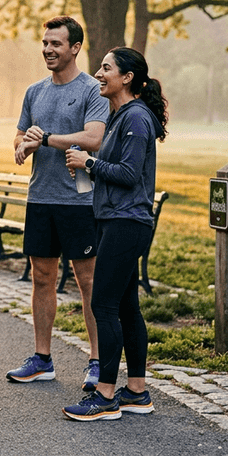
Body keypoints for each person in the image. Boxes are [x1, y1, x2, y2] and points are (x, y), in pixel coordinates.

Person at [62, 47, 166, 421]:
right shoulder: (121, 115)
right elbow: (115, 172)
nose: (99, 73)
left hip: (127, 223)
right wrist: (87, 169)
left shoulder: (136, 117)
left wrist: (89, 160)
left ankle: (105, 395)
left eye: (107, 68)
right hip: (115, 220)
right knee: (125, 306)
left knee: (102, 304)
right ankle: (136, 391)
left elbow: (128, 173)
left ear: (127, 78)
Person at [7, 17, 108, 390]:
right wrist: (23, 145)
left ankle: (98, 362)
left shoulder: (92, 90)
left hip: (80, 200)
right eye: (45, 43)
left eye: (57, 44)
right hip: (41, 198)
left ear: (75, 48)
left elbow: (94, 138)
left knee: (88, 281)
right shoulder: (35, 91)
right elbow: (20, 134)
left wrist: (46, 138)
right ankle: (42, 359)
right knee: (42, 277)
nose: (48, 50)